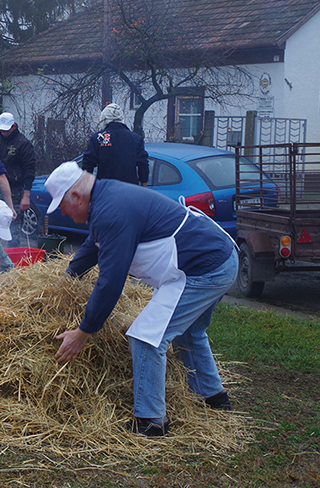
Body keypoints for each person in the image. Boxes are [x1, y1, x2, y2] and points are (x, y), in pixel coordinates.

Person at [46, 161, 238, 437]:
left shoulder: (111, 210)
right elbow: (96, 243)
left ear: (77, 196)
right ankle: (213, 397)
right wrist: (69, 276)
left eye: (62, 205)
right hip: (216, 257)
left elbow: (110, 282)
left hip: (202, 268)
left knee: (146, 337)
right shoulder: (106, 195)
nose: (62, 212)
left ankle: (151, 421)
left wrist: (83, 331)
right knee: (190, 332)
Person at [0, 112, 36, 242]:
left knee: (13, 226)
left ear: (14, 126)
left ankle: (13, 253)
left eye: (6, 130)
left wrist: (26, 195)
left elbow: (30, 170)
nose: (4, 133)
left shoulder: (23, 144)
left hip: (15, 189)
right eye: (2, 130)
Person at [81, 103, 149, 186]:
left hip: (105, 189)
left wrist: (87, 188)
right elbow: (143, 165)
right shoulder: (136, 139)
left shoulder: (98, 138)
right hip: (130, 190)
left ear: (104, 119)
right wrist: (143, 186)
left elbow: (88, 165)